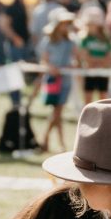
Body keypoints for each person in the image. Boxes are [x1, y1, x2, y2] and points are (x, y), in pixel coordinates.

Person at [39, 8, 76, 152]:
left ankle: (50, 141)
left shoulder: (70, 42)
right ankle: (54, 141)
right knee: (56, 112)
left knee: (58, 112)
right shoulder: (48, 41)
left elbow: (76, 59)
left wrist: (71, 66)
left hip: (65, 81)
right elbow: (44, 60)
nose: (66, 26)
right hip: (52, 80)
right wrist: (51, 68)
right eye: (63, 23)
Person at [75, 5, 111, 105]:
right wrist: (95, 62)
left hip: (103, 72)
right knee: (88, 98)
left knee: (103, 98)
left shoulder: (106, 39)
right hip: (89, 72)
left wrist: (100, 63)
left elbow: (109, 56)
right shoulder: (84, 38)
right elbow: (84, 56)